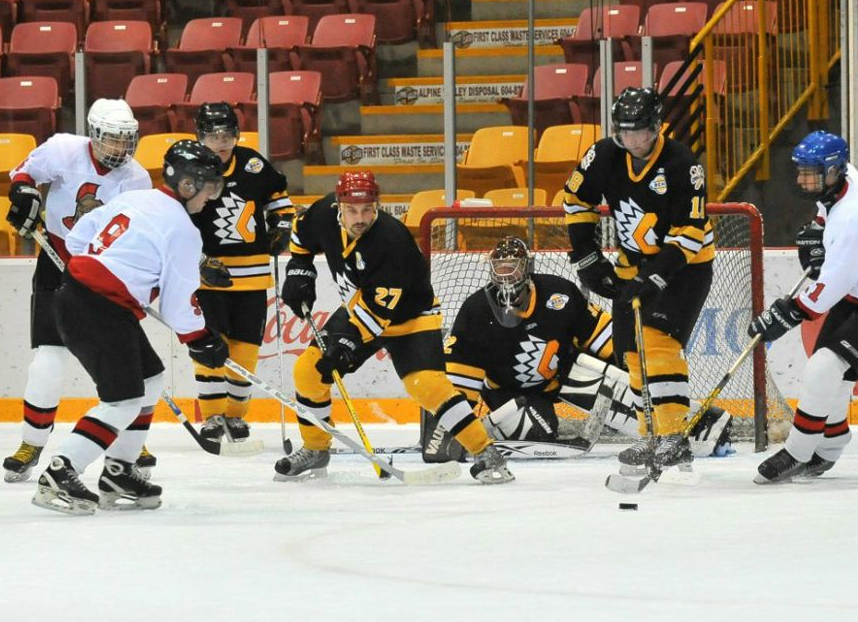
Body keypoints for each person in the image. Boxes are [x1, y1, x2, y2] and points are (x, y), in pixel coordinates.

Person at [277, 170, 514, 484]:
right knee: (308, 372)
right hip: (359, 307)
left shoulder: (392, 241)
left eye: (367, 210)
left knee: (426, 386)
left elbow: (377, 316)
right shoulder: (323, 213)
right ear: (339, 206)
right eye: (352, 211)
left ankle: (486, 451)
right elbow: (299, 234)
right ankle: (315, 449)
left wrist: (345, 347)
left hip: (411, 317)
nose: (360, 218)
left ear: (377, 205)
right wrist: (299, 270)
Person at [31, 140, 230, 514]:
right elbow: (178, 306)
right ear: (188, 184)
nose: (211, 198)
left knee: (150, 378)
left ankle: (119, 471)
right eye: (210, 188)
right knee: (121, 400)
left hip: (78, 297)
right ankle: (60, 472)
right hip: (98, 308)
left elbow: (78, 238)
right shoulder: (183, 231)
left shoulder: (134, 199)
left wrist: (124, 271)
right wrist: (202, 339)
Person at [748, 131, 858, 484]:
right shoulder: (841, 182)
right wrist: (817, 231)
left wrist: (789, 312)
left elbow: (835, 283)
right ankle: (831, 446)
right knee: (835, 376)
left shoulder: (855, 214)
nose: (802, 180)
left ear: (832, 171)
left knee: (823, 368)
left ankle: (797, 452)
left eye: (810, 172)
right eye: (800, 171)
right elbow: (825, 214)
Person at [562, 87, 719, 475]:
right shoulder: (603, 155)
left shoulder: (682, 163)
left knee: (657, 342)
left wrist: (655, 277)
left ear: (656, 126)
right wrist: (587, 257)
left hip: (686, 266)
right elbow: (575, 200)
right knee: (631, 351)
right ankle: (651, 435)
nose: (632, 140)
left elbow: (690, 233)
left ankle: (674, 437)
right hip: (631, 264)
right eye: (625, 131)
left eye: (640, 131)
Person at [0, 98, 156, 483]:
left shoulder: (137, 179)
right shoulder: (63, 149)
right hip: (56, 262)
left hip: (105, 273)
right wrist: (24, 195)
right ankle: (32, 443)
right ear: (94, 134)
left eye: (126, 139)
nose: (120, 147)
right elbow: (23, 174)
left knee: (128, 363)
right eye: (113, 138)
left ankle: (130, 440)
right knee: (47, 363)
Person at [427, 236, 636, 460]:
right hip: (505, 391)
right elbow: (461, 377)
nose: (507, 275)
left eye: (513, 267)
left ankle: (649, 420)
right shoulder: (476, 310)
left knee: (623, 396)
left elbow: (605, 336)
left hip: (562, 377)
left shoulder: (559, 292)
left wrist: (633, 367)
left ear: (527, 267)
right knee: (538, 432)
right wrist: (455, 428)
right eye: (501, 268)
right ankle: (491, 429)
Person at [186, 102, 295, 444]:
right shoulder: (190, 170)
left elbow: (278, 197)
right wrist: (199, 260)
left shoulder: (252, 164)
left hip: (253, 276)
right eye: (212, 135)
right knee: (210, 347)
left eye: (226, 135)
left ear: (236, 134)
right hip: (209, 277)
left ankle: (236, 415)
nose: (220, 142)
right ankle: (212, 415)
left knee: (246, 350)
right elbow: (176, 223)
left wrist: (281, 223)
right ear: (200, 137)